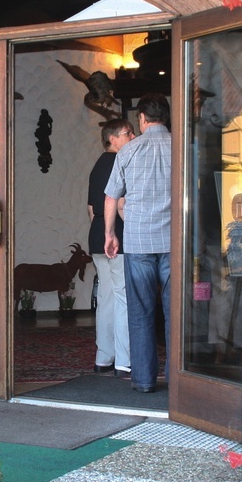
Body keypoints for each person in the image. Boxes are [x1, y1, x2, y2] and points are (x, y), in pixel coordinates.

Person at [104, 94, 172, 393]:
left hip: (139, 241)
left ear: (142, 119)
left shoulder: (128, 150)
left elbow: (111, 197)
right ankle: (178, 380)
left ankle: (144, 380)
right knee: (174, 312)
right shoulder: (182, 147)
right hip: (174, 242)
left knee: (140, 311)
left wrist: (110, 233)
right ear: (165, 117)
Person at [87, 118, 134, 375]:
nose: (133, 137)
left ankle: (103, 357)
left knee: (105, 297)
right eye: (128, 133)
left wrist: (101, 232)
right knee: (122, 296)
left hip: (97, 235)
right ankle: (124, 361)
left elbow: (91, 208)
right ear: (112, 139)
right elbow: (120, 203)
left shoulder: (97, 165)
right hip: (118, 235)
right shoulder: (121, 162)